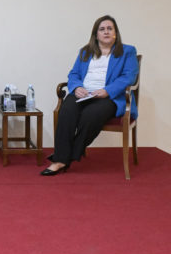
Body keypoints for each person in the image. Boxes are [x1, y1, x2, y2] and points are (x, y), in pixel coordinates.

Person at [41, 15, 139, 176]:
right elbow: (74, 74)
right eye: (102, 29)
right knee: (66, 111)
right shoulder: (86, 51)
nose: (106, 32)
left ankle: (61, 159)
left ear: (115, 33)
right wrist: (77, 87)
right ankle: (63, 157)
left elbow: (129, 77)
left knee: (90, 115)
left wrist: (108, 90)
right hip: (83, 93)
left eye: (110, 28)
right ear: (96, 34)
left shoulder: (127, 51)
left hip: (109, 97)